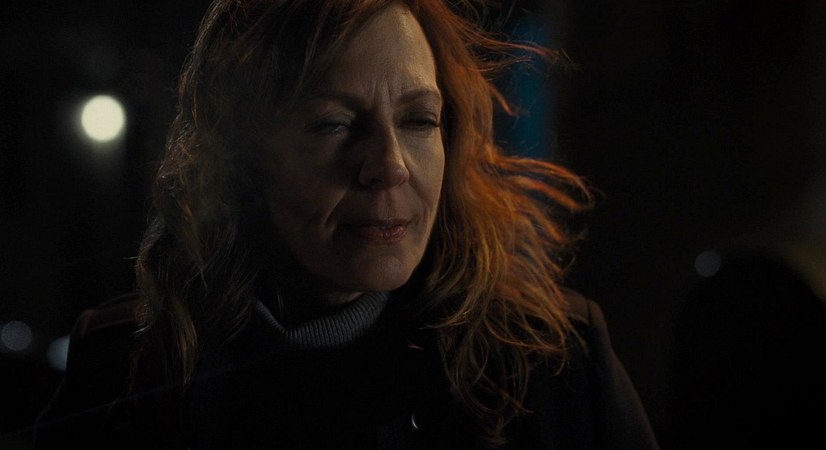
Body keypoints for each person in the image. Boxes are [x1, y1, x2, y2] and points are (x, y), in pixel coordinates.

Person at [32, 0, 660, 448]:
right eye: (335, 124)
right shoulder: (129, 372)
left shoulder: (550, 363)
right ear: (243, 155)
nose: (389, 166)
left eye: (419, 120)